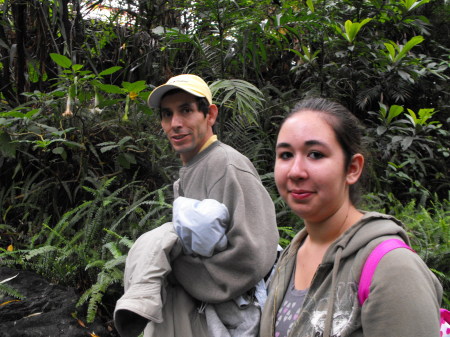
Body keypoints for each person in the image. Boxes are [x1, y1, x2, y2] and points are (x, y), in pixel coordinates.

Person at [259, 97, 443, 337]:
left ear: (352, 168)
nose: (295, 171)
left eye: (315, 154)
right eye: (285, 155)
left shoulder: (394, 270)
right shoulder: (290, 257)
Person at [114, 74, 279, 337]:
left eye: (186, 111)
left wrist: (178, 269)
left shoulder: (226, 164)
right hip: (202, 305)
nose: (175, 124)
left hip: (236, 315)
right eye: (167, 115)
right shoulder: (190, 170)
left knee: (164, 237)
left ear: (210, 115)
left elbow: (253, 255)